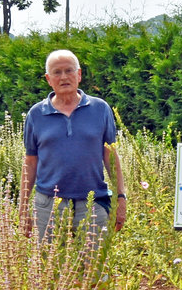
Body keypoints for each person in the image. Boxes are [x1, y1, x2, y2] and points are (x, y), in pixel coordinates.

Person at [21, 49, 127, 243]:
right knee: (49, 270)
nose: (64, 77)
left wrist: (121, 198)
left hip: (93, 205)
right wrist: (23, 207)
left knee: (94, 270)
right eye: (57, 72)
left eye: (69, 71)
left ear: (79, 75)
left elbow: (111, 157)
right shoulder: (36, 114)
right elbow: (30, 162)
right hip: (48, 207)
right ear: (48, 79)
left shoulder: (100, 109)